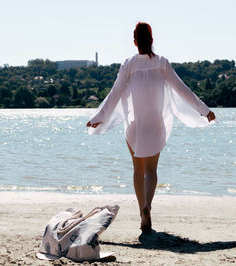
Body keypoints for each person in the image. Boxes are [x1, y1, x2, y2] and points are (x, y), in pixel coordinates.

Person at [86, 22, 216, 233]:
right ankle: (148, 206)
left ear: (135, 42)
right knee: (152, 170)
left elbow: (115, 93)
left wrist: (99, 116)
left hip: (135, 124)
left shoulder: (128, 64)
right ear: (152, 40)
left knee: (138, 169)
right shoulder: (162, 63)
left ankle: (142, 213)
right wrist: (204, 110)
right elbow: (182, 89)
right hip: (155, 124)